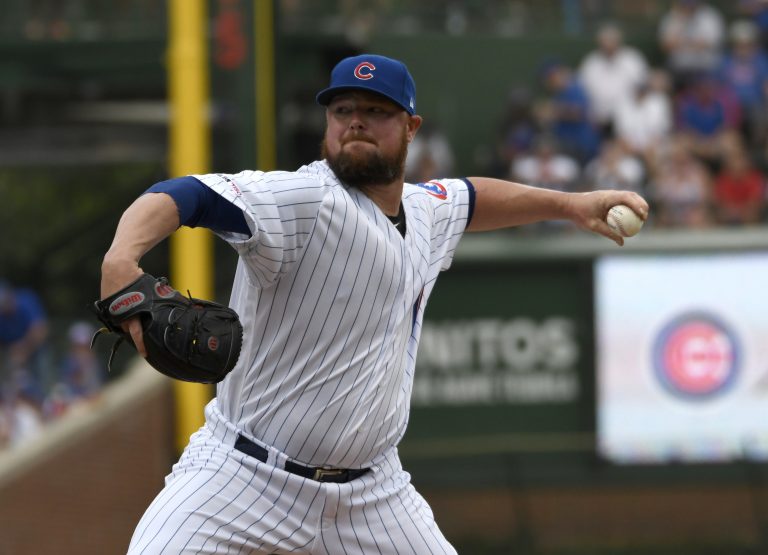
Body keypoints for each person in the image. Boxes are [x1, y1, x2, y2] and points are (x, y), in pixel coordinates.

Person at [100, 54, 647, 554]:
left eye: (376, 110)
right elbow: (186, 194)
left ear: (411, 127)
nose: (356, 120)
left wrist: (573, 205)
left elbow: (473, 197)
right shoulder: (304, 198)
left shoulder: (424, 211)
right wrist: (121, 260)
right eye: (343, 109)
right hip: (242, 476)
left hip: (373, 496)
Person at [578, 22, 649, 138]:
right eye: (605, 40)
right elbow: (583, 91)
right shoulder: (590, 63)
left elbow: (643, 88)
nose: (609, 44)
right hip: (598, 120)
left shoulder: (633, 59)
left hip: (628, 120)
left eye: (612, 40)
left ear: (619, 41)